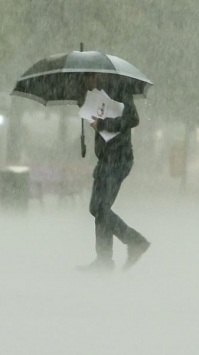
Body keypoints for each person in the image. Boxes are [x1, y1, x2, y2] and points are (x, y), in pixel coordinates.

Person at [77, 73, 150, 272]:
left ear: (96, 74)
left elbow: (132, 118)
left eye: (86, 79)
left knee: (101, 208)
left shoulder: (119, 89)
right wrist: (86, 108)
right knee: (97, 208)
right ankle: (105, 259)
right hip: (106, 159)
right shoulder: (96, 95)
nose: (85, 83)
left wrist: (102, 124)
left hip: (118, 159)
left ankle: (132, 243)